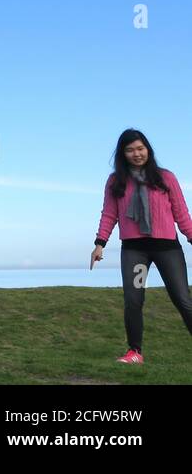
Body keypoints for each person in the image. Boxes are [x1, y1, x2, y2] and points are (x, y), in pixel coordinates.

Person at [92, 128, 192, 364]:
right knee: (134, 300)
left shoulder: (165, 177)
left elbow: (181, 213)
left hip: (167, 249)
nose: (136, 154)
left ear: (148, 149)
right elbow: (109, 214)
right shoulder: (116, 181)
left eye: (140, 148)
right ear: (122, 154)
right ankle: (134, 352)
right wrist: (99, 243)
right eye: (130, 150)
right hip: (135, 251)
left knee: (181, 298)